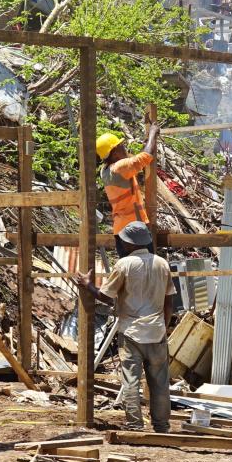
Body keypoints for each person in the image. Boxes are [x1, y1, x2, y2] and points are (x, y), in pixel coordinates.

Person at [91, 221, 172, 431]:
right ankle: (162, 425)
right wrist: (164, 325)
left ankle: (135, 424)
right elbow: (169, 300)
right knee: (160, 383)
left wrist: (86, 285)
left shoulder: (124, 265)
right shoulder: (162, 264)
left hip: (131, 332)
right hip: (157, 332)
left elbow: (106, 296)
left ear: (128, 243)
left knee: (131, 381)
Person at [97, 103, 162, 235]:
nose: (124, 148)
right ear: (114, 152)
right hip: (133, 228)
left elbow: (136, 161)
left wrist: (148, 143)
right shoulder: (120, 167)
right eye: (121, 146)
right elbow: (145, 156)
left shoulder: (105, 170)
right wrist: (153, 134)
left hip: (120, 228)